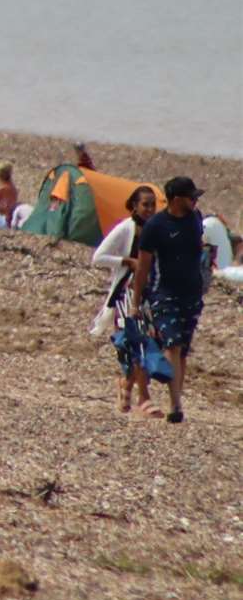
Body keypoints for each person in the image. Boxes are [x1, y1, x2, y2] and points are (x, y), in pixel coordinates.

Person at [131, 177, 211, 424]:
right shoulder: (156, 226)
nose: (195, 201)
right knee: (172, 344)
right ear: (177, 199)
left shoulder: (195, 219)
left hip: (192, 294)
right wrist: (135, 301)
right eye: (191, 197)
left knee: (182, 350)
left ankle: (176, 396)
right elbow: (143, 267)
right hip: (164, 293)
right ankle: (175, 404)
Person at [92, 185, 159, 417]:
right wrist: (126, 261)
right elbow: (98, 257)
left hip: (150, 293)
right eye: (145, 204)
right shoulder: (125, 228)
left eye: (153, 204)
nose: (150, 209)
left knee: (150, 341)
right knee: (135, 340)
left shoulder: (156, 229)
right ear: (134, 206)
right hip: (126, 293)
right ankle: (144, 398)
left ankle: (126, 385)